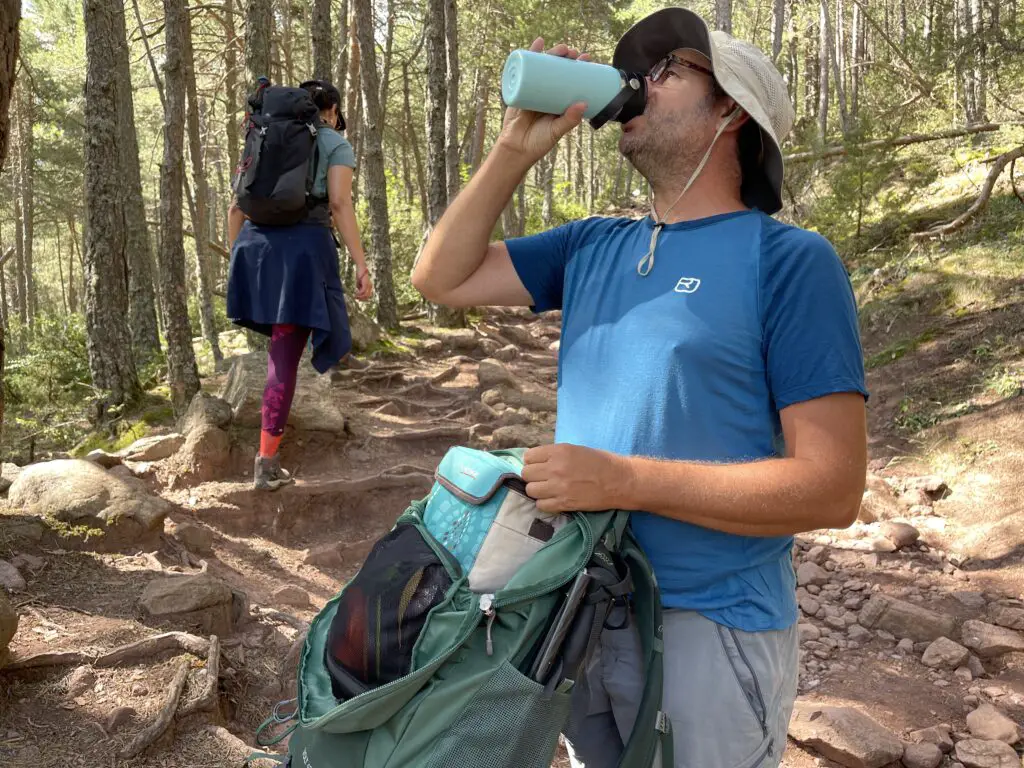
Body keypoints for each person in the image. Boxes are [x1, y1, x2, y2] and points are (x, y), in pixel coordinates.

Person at [411, 8, 868, 768]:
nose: (636, 85)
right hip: (581, 607)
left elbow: (831, 489)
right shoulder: (594, 244)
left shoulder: (791, 262)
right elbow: (441, 277)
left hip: (712, 626)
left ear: (731, 110)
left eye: (666, 71)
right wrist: (512, 150)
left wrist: (623, 479)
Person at [227, 79, 373, 492]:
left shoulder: (263, 135)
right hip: (303, 253)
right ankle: (266, 464)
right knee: (284, 357)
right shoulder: (334, 144)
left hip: (255, 246)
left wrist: (240, 255)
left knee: (281, 349)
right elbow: (341, 205)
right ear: (330, 111)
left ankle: (268, 456)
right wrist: (362, 265)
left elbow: (237, 204)